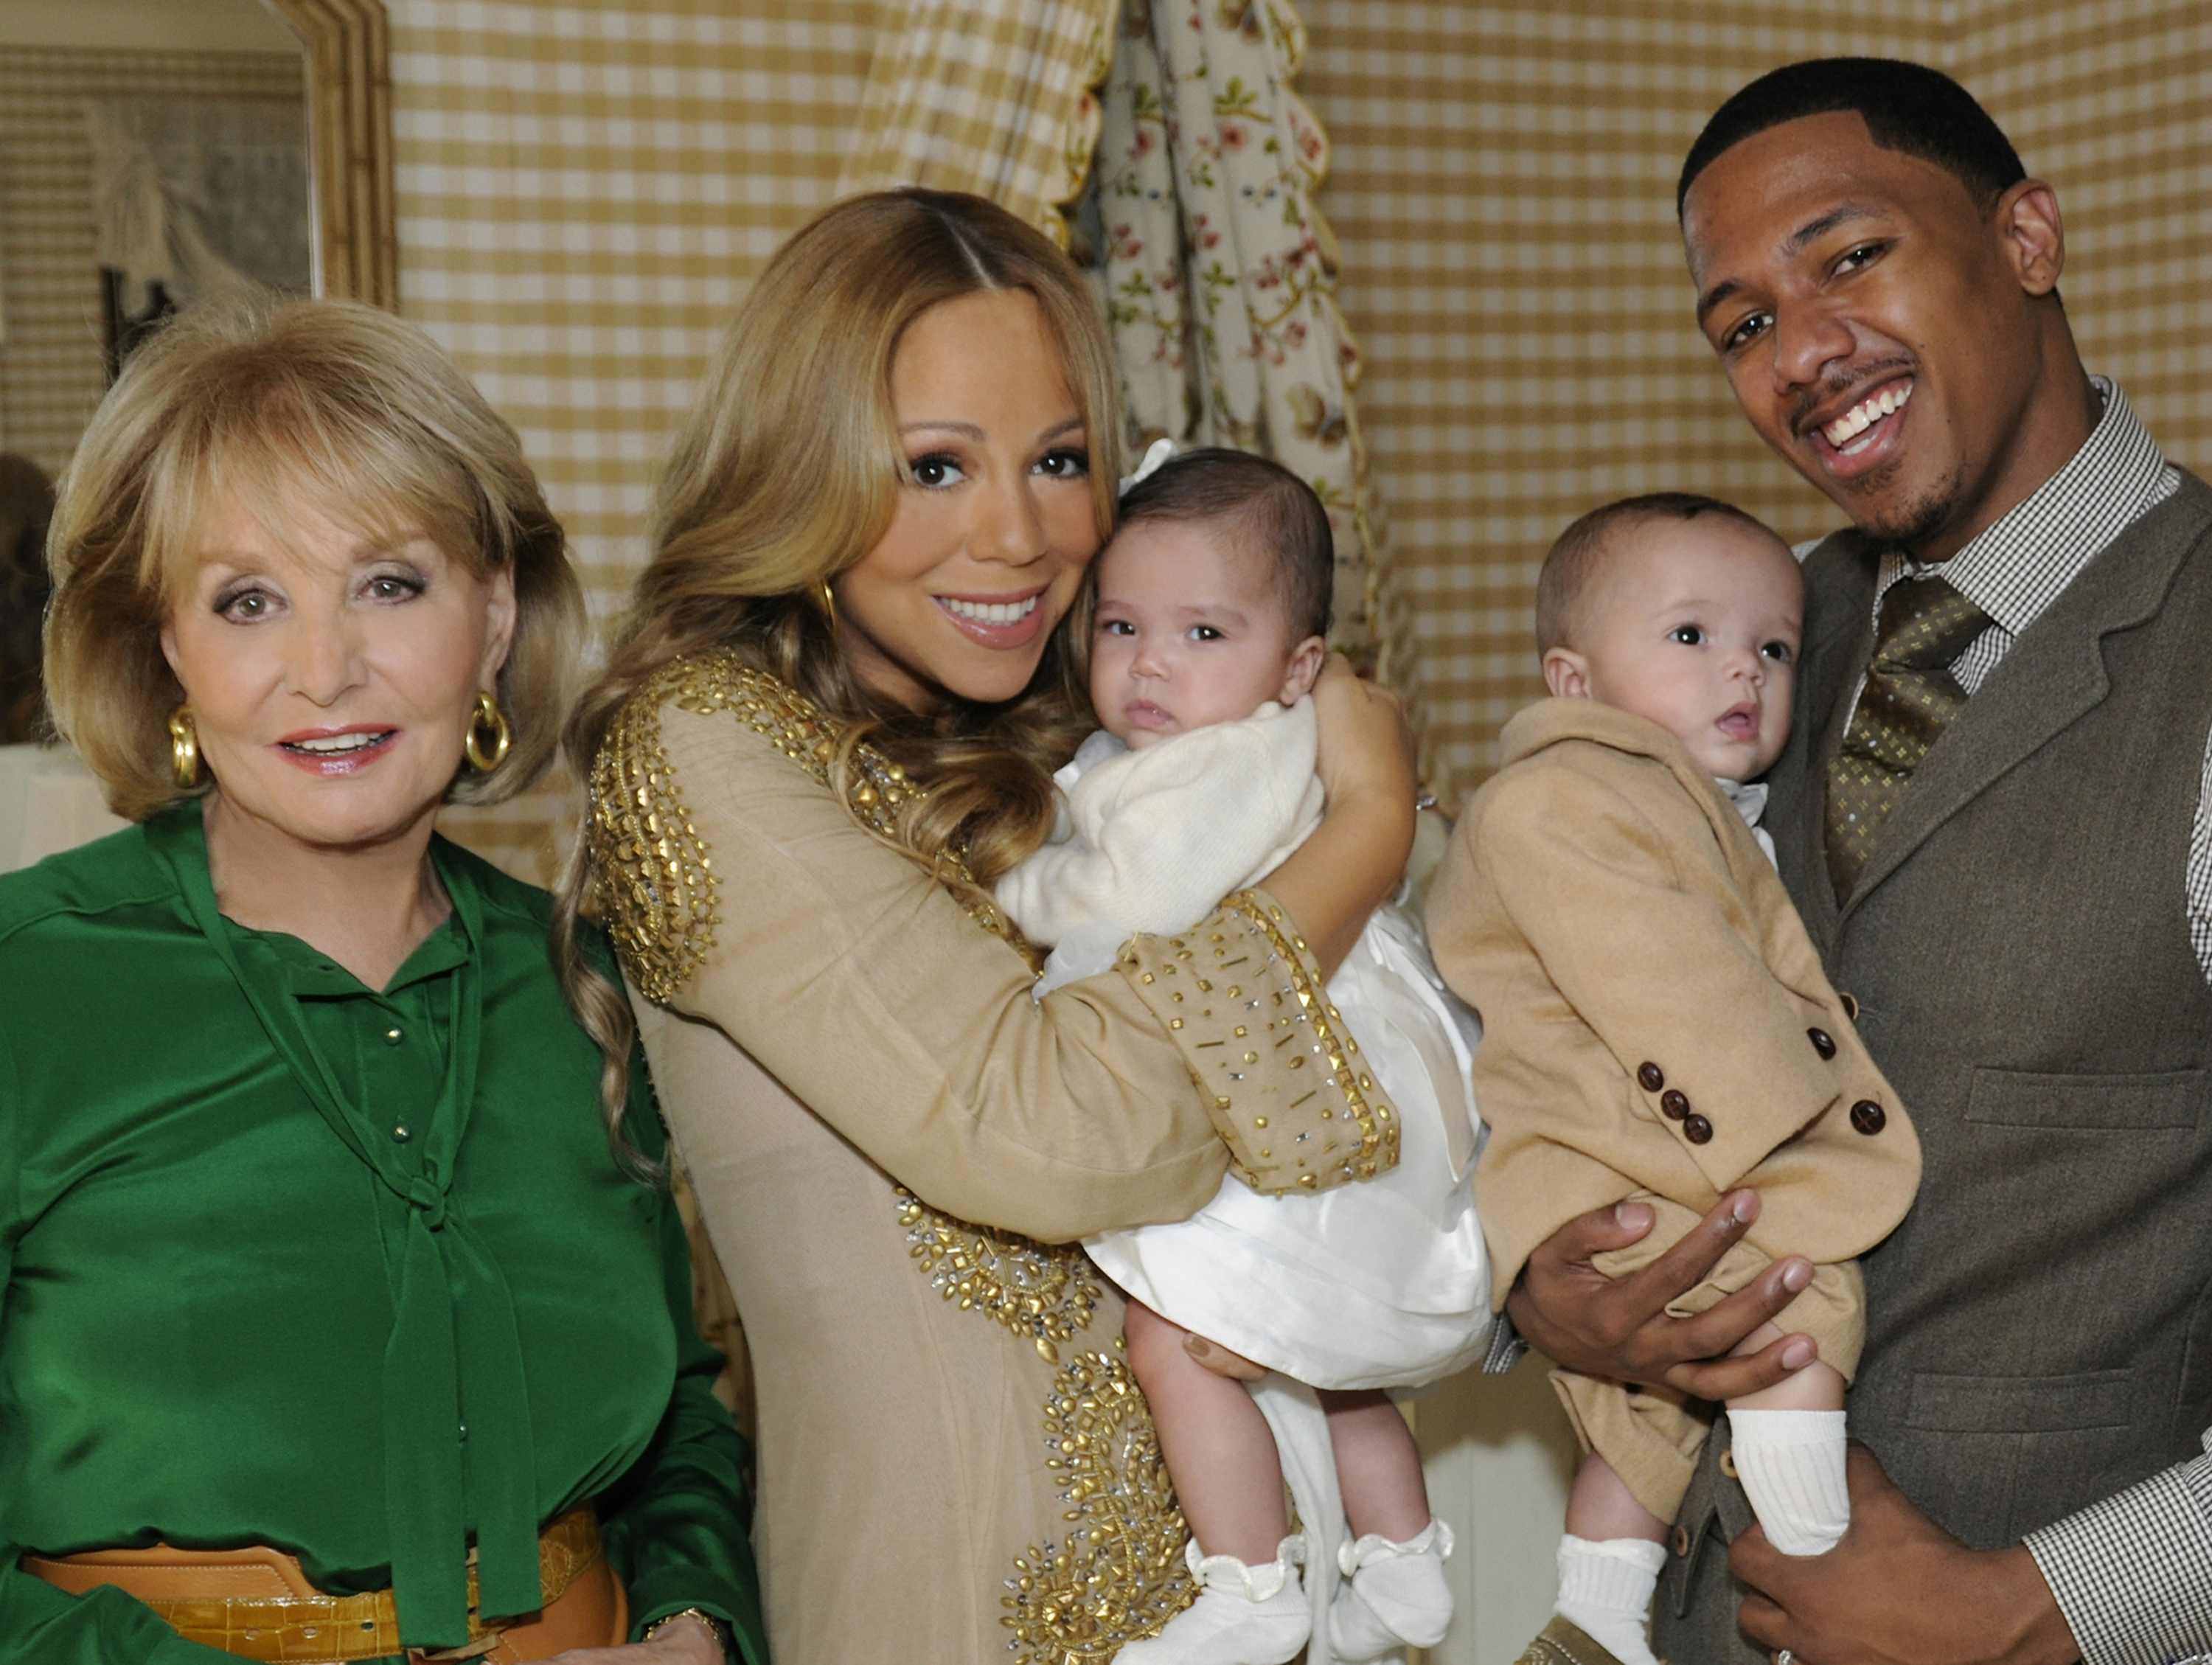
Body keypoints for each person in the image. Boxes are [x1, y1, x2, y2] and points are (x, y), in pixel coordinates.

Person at [556, 190, 1420, 1662]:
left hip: (1279, 1592)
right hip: (957, 1611)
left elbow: (1405, 1047)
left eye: (1061, 460)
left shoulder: (1096, 732)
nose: (1021, 534)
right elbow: (1058, 1133)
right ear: (803, 471)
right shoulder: (703, 747)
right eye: (936, 465)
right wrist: (1364, 831)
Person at [1495, 57, 2212, 1664]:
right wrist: (1533, 1280)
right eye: (1742, 321)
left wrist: (2043, 1609)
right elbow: (1540, 1011)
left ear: (2027, 237)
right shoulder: (1730, 636)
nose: (1802, 352)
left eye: (1850, 255)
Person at [0, 299, 765, 1664]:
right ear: (167, 645)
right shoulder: (29, 986)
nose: (326, 668)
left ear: (493, 615)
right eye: (248, 600)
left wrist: (694, 1622)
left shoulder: (592, 982)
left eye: (389, 584)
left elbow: (680, 1419)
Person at [992, 448, 1488, 1665]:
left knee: (1178, 1331)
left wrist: (1014, 883)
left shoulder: (1234, 757)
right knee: (1319, 1347)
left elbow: (1143, 891)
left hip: (1294, 1071)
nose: (1152, 662)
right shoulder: (1202, 742)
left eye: (1204, 630)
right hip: (1311, 1070)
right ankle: (1406, 1553)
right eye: (1122, 625)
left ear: (1299, 668)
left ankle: (1252, 1589)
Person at [1425, 493, 1920, 1665]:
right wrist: (1815, 1172)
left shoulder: (1682, 795)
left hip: (1628, 1166)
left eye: (1773, 648)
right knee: (1802, 1297)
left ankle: (1592, 1615)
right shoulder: (1570, 796)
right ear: (1574, 681)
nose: (1741, 672)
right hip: (1636, 1154)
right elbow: (1684, 1006)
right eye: (1690, 638)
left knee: (1642, 1422)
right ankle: (1812, 1549)